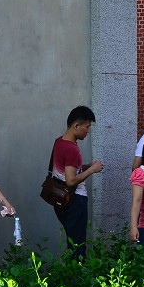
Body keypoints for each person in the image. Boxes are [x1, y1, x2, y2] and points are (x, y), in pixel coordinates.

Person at [51, 105, 104, 260]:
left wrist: (85, 166)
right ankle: (76, 278)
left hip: (60, 199)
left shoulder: (59, 142)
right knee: (77, 246)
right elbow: (71, 180)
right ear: (76, 126)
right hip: (74, 201)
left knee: (72, 241)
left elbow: (68, 170)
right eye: (87, 127)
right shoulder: (71, 149)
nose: (88, 131)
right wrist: (92, 170)